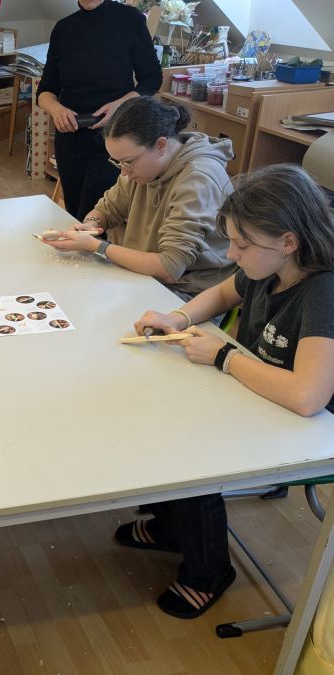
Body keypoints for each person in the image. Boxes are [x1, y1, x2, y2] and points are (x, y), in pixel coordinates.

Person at [116, 165, 334, 619]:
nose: (232, 253)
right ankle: (173, 526)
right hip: (258, 393)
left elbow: (307, 396)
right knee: (160, 411)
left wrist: (224, 357)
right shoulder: (268, 264)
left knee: (193, 452)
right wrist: (177, 318)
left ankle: (208, 572)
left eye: (242, 244)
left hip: (306, 427)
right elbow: (219, 295)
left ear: (288, 241)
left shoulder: (322, 292)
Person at [41, 96, 236, 300]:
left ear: (161, 146)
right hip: (147, 276)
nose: (124, 172)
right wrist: (91, 224)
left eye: (128, 162)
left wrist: (97, 246)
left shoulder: (198, 180)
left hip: (190, 292)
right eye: (119, 162)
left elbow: (170, 268)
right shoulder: (143, 166)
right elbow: (108, 209)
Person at [36, 0, 162, 220]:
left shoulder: (129, 19)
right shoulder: (63, 28)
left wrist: (119, 105)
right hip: (71, 138)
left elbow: (152, 79)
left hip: (115, 138)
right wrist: (57, 110)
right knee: (75, 214)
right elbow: (45, 91)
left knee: (93, 217)